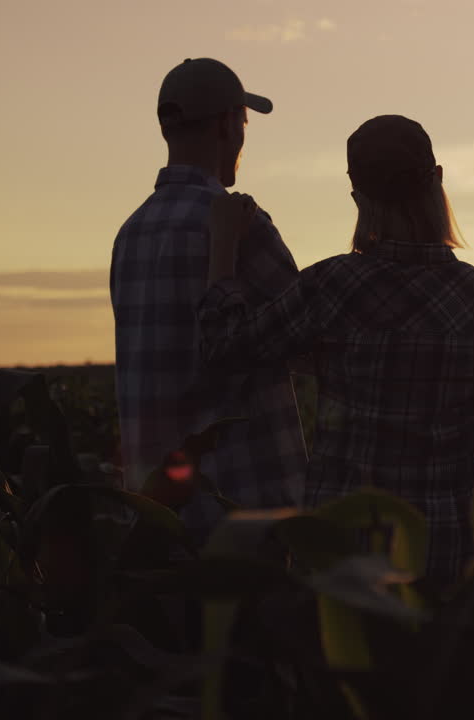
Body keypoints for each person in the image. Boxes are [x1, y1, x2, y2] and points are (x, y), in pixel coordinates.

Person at [198, 115, 474, 583]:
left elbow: (223, 347)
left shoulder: (332, 285)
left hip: (339, 560)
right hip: (442, 560)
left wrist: (223, 248)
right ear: (437, 179)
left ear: (358, 197)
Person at [110, 58, 308, 536]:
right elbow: (309, 333)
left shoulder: (130, 233)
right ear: (226, 125)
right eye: (243, 122)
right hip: (248, 507)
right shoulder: (242, 225)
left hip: (158, 512)